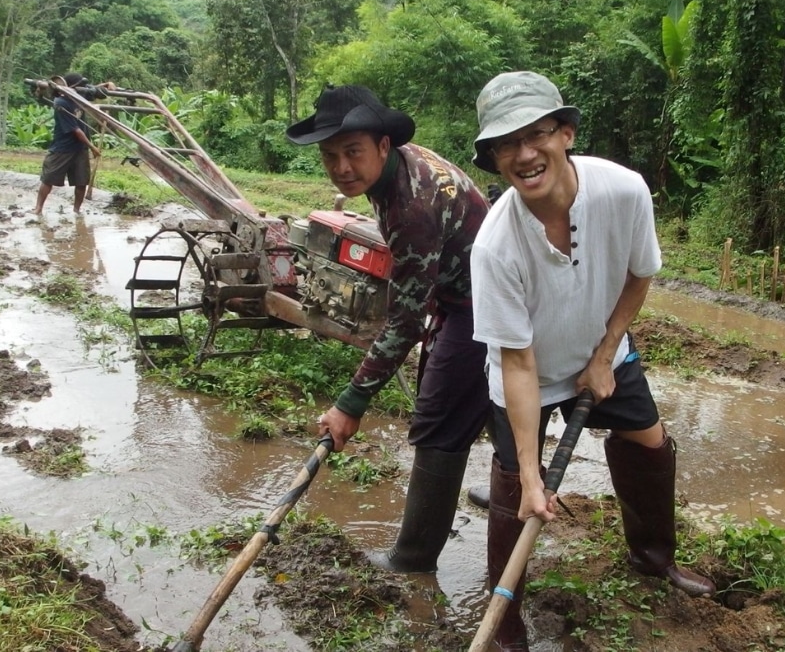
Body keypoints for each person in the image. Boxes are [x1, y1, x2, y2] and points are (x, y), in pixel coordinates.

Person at [469, 71, 715, 650]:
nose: (525, 154)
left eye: (538, 134)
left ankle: (653, 558)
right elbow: (520, 365)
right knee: (514, 489)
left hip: (606, 352)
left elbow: (639, 274)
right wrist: (535, 478)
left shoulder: (623, 191)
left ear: (568, 133)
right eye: (507, 144)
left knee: (649, 443)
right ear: (495, 158)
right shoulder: (495, 246)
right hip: (526, 373)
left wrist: (605, 356)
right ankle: (505, 629)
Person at [287, 85, 492, 573]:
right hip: (469, 288)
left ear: (382, 146)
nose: (341, 168)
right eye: (330, 156)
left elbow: (404, 321)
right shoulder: (405, 162)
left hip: (487, 304)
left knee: (439, 415)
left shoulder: (411, 209)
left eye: (353, 152)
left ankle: (412, 559)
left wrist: (350, 404)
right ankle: (514, 480)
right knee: (495, 395)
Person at [34, 73, 105, 215]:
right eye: (80, 86)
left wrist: (107, 85)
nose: (83, 89)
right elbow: (76, 130)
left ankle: (77, 211)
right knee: (48, 179)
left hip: (80, 148)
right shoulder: (61, 103)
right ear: (71, 87)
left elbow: (98, 92)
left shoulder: (81, 97)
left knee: (81, 181)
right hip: (63, 148)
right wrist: (92, 147)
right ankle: (38, 209)